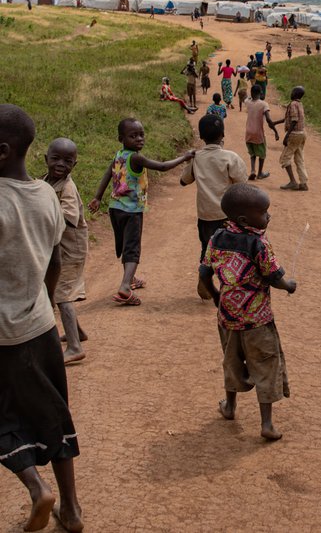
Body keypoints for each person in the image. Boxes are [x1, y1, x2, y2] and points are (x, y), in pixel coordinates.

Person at [0, 104, 84, 533]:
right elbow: (53, 260)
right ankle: (70, 508)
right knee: (55, 411)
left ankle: (37, 488)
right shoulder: (46, 196)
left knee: (5, 417)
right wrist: (45, 304)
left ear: (1, 151)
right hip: (40, 325)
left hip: (4, 336)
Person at [199, 183, 297, 441]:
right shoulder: (259, 243)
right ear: (244, 219)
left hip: (228, 317)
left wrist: (215, 295)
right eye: (264, 212)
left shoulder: (216, 238)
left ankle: (230, 407)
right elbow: (274, 277)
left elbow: (204, 272)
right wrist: (289, 286)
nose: (268, 216)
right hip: (257, 321)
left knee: (231, 362)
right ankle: (266, 424)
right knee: (265, 365)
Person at [88, 118, 194, 305]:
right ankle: (125, 287)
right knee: (132, 249)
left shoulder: (119, 154)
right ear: (121, 138)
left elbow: (107, 174)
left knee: (125, 245)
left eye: (141, 135)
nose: (139, 139)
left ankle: (131, 278)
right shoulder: (136, 158)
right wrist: (184, 157)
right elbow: (162, 167)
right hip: (131, 211)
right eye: (133, 136)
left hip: (115, 208)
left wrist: (98, 197)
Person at [182, 114, 248, 296]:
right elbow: (242, 184)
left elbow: (184, 180)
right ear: (223, 134)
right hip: (228, 215)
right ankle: (230, 285)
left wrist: (189, 160)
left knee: (207, 247)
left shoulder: (197, 157)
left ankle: (205, 278)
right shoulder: (231, 157)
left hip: (205, 215)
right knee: (231, 250)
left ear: (201, 137)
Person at [43, 138, 89, 364]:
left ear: (75, 165)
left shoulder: (68, 188)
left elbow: (69, 219)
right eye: (56, 159)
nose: (61, 164)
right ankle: (77, 332)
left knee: (62, 295)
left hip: (71, 251)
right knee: (59, 291)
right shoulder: (44, 183)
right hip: (59, 250)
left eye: (67, 161)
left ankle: (74, 347)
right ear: (46, 159)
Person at [272, 86, 308, 191]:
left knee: (285, 158)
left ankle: (293, 182)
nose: (291, 93)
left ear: (295, 94)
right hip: (302, 133)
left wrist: (286, 136)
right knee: (299, 158)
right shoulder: (300, 104)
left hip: (295, 134)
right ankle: (303, 183)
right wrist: (275, 123)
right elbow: (289, 118)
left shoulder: (292, 104)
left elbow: (294, 120)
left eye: (293, 91)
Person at [244, 85, 277, 181]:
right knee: (262, 154)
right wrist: (275, 131)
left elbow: (246, 98)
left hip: (248, 132)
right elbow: (268, 119)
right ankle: (260, 173)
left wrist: (250, 95)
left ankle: (253, 170)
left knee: (252, 153)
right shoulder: (264, 104)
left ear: (251, 92)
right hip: (258, 133)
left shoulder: (248, 102)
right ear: (261, 92)